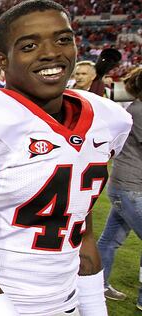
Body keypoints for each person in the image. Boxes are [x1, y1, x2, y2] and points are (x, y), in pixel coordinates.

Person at [0, 1, 132, 315]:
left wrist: (94, 308)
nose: (51, 52)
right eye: (29, 45)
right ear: (2, 61)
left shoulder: (105, 119)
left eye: (63, 39)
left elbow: (81, 231)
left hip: (64, 302)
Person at [96, 67, 142, 308]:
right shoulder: (140, 110)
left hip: (126, 185)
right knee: (109, 239)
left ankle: (97, 285)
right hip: (131, 187)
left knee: (110, 239)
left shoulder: (135, 107)